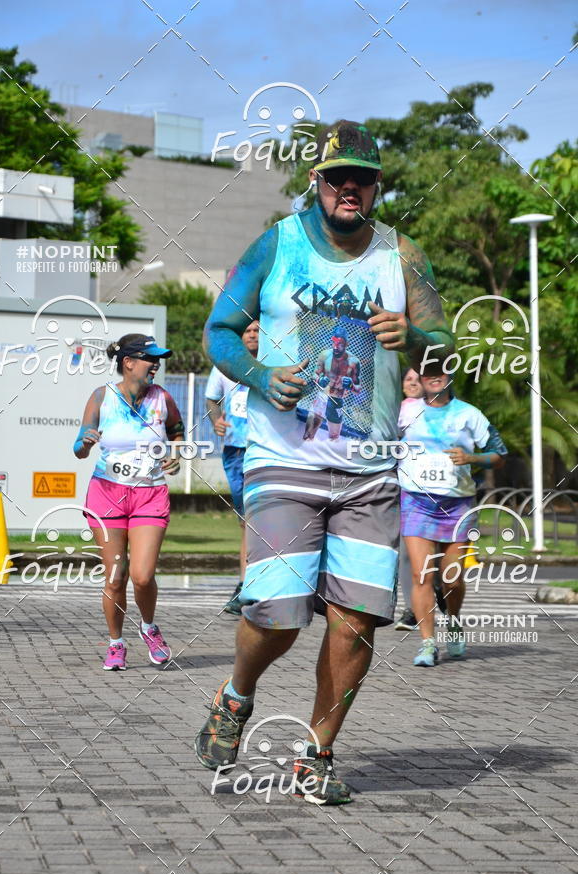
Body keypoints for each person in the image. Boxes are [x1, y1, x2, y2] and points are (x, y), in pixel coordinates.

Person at [194, 120, 454, 804]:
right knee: (278, 612)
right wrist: (254, 372)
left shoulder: (403, 255)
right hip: (284, 459)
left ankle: (317, 755)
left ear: (376, 187)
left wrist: (419, 334)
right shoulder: (275, 244)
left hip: (370, 470)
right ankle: (235, 695)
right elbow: (219, 327)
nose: (349, 188)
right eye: (338, 177)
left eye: (362, 179)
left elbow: (444, 344)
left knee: (357, 623)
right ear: (317, 181)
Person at [73, 334, 185, 671]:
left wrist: (176, 455)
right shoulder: (101, 397)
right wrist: (86, 442)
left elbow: (178, 434)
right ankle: (115, 644)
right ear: (129, 362)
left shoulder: (162, 398)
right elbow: (78, 447)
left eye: (159, 359)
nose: (157, 365)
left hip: (149, 493)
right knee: (116, 576)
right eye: (151, 358)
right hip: (106, 493)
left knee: (142, 575)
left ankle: (149, 628)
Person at [398, 368, 507, 666]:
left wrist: (472, 458)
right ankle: (427, 644)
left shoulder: (469, 414)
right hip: (415, 500)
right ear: (419, 379)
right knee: (421, 575)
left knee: (452, 578)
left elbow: (498, 454)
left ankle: (454, 621)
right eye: (427, 372)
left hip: (457, 504)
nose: (434, 377)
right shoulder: (405, 410)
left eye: (440, 372)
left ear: (450, 377)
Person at [205, 321, 260, 614]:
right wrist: (216, 420)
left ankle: (249, 584)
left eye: (258, 330)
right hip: (236, 451)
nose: (253, 334)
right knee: (245, 521)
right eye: (248, 330)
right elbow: (212, 398)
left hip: (265, 450)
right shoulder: (227, 364)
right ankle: (245, 585)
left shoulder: (273, 364)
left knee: (256, 519)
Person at [394, 368, 424, 631]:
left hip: (438, 492)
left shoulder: (438, 410)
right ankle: (411, 609)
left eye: (418, 380)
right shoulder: (394, 410)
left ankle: (442, 599)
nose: (413, 383)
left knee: (433, 556)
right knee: (405, 554)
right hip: (406, 488)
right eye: (409, 379)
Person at [303, 324, 362, 441]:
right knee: (308, 435)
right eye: (334, 343)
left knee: (334, 438)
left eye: (339, 344)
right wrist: (319, 380)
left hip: (337, 400)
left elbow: (358, 389)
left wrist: (351, 386)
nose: (335, 347)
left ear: (346, 344)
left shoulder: (354, 362)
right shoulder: (324, 355)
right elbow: (314, 374)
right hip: (322, 397)